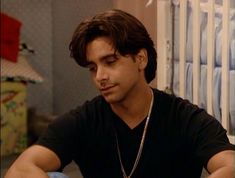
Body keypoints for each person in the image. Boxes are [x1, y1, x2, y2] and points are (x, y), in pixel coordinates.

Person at [5, 9, 235, 178]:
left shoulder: (184, 118)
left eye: (110, 61)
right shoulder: (85, 119)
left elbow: (230, 166)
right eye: (93, 68)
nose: (100, 76)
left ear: (141, 59)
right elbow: (18, 170)